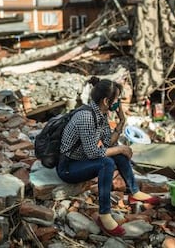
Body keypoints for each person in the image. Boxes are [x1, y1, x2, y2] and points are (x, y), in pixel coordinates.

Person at [56, 77, 160, 237]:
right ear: (106, 101)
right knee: (107, 163)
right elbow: (93, 152)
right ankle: (104, 214)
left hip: (82, 160)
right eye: (117, 99)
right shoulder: (86, 117)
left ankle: (134, 192)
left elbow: (106, 143)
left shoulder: (101, 115)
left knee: (119, 154)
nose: (119, 103)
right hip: (68, 168)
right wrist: (121, 148)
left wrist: (121, 122)